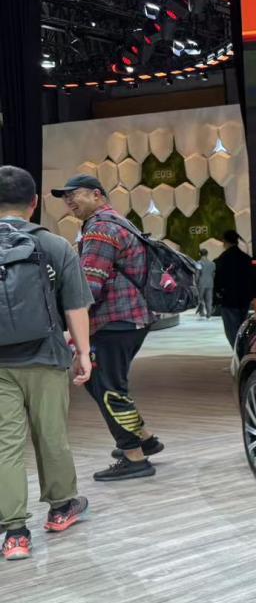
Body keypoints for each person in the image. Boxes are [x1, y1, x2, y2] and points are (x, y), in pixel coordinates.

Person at [0, 167, 94, 560]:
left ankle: (15, 535)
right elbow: (75, 306)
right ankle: (61, 508)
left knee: (5, 445)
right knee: (51, 435)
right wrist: (83, 354)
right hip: (46, 356)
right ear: (34, 202)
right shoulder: (55, 245)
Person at [53, 173, 162, 480]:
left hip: (115, 320)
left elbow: (89, 287)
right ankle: (145, 439)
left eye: (74, 194)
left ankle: (134, 457)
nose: (69, 200)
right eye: (65, 196)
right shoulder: (118, 221)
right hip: (131, 318)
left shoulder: (101, 229)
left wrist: (75, 335)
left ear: (97, 195)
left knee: (107, 388)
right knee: (106, 384)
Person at [215, 230, 254, 349]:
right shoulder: (246, 258)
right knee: (242, 328)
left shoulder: (223, 258)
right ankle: (243, 350)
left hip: (229, 299)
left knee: (232, 330)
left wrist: (218, 293)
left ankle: (238, 352)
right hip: (244, 299)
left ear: (225, 241)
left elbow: (218, 279)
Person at [196, 247, 216, 318]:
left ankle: (201, 312)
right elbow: (213, 274)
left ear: (199, 254)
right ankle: (209, 313)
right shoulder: (212, 264)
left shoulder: (199, 263)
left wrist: (196, 282)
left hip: (201, 283)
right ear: (207, 254)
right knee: (209, 299)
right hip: (210, 283)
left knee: (200, 298)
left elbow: (197, 274)